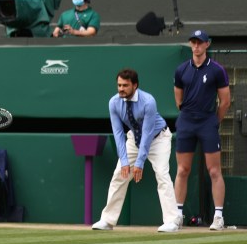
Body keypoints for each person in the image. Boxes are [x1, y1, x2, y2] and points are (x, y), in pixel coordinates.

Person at [91, 69, 180, 233]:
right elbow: (118, 133)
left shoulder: (148, 101)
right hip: (133, 138)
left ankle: (172, 221)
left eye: (125, 85)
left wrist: (139, 163)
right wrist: (125, 161)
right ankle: (107, 220)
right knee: (119, 175)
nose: (121, 89)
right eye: (119, 85)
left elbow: (147, 134)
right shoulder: (114, 102)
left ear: (135, 85)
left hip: (158, 138)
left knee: (162, 173)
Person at [173, 30, 230, 231]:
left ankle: (218, 217)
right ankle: (178, 214)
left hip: (207, 122)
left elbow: (225, 101)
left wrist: (214, 121)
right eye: (193, 42)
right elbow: (178, 99)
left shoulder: (217, 70)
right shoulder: (181, 70)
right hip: (187, 121)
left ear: (207, 44)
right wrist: (188, 115)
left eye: (200, 43)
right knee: (182, 169)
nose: (196, 46)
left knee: (214, 170)